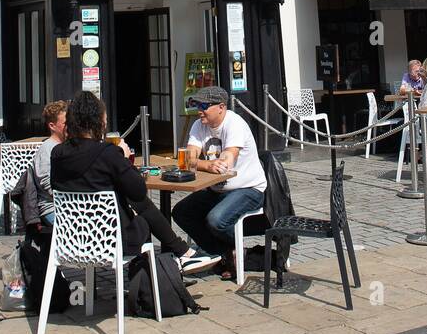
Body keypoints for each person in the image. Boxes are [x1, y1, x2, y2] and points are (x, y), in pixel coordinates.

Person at [53, 91, 216, 275]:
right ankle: (154, 279)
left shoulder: (57, 153)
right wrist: (121, 154)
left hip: (72, 238)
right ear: (97, 120)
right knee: (141, 209)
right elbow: (138, 190)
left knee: (133, 201)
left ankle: (181, 253)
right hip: (112, 238)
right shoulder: (107, 153)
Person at [173, 86, 269, 275]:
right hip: (217, 190)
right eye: (196, 104)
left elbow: (228, 159)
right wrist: (207, 165)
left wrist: (206, 163)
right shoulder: (199, 125)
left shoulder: (234, 124)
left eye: (203, 105)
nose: (199, 110)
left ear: (221, 107)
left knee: (216, 220)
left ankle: (236, 251)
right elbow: (187, 159)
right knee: (181, 212)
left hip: (248, 189)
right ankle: (221, 253)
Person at [32, 100, 68, 225]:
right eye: (65, 123)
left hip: (69, 206)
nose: (70, 126)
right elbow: (48, 184)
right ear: (52, 126)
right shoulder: (47, 149)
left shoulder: (69, 146)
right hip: (53, 209)